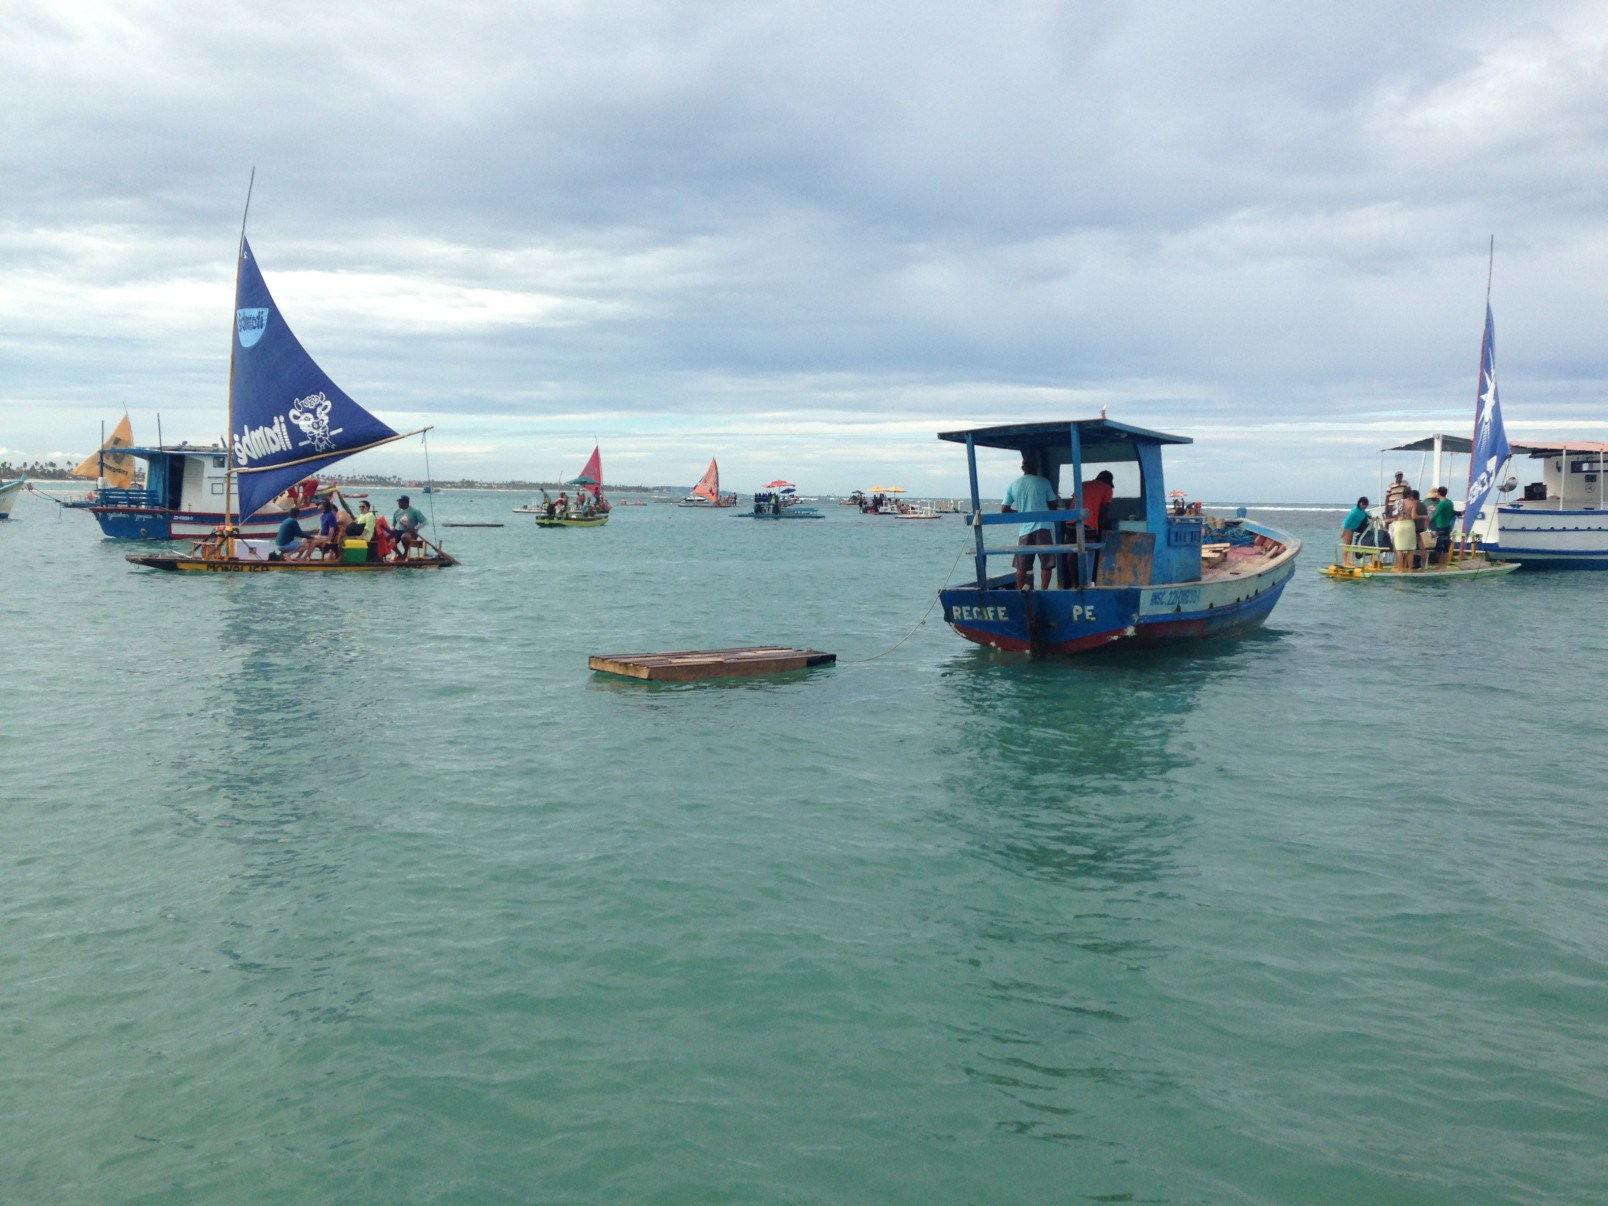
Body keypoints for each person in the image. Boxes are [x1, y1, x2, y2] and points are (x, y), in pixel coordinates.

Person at [1002, 453, 1057, 590]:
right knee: (1046, 563)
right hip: (1043, 527)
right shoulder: (1043, 482)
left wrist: (1020, 514)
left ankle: (1022, 592)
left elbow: (1004, 509)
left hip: (1024, 530)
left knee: (1021, 565)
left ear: (1022, 468)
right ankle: (1044, 590)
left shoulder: (1013, 485)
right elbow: (1053, 504)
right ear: (1036, 467)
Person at [1426, 485, 1456, 568]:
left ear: (1438, 493)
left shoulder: (1441, 504)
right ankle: (1444, 565)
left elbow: (1436, 515)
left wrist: (1428, 522)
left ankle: (1440, 565)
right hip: (1447, 527)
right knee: (1446, 547)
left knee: (1438, 547)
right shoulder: (1450, 502)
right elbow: (1451, 514)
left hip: (1440, 527)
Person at [1080, 469, 1115, 540]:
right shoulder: (1107, 488)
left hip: (1070, 524)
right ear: (1108, 481)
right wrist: (1100, 532)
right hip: (1088, 526)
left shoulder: (1083, 484)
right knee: (1092, 549)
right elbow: (1103, 513)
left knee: (1071, 550)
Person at [1391, 490, 1420, 571]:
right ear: (1410, 495)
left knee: (1399, 549)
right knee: (1410, 549)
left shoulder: (1397, 502)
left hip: (1399, 525)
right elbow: (1413, 516)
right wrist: (1423, 516)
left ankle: (1400, 569)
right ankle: (1410, 569)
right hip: (1409, 525)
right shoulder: (1413, 503)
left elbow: (1394, 514)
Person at [392, 494, 427, 559]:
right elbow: (394, 525)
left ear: (405, 503)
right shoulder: (396, 512)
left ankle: (405, 553)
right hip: (399, 531)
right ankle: (400, 554)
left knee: (404, 537)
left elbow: (425, 522)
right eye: (398, 502)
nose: (398, 503)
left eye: (400, 502)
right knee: (388, 539)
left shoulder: (414, 511)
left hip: (411, 533)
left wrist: (415, 528)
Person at [1340, 496, 1370, 566]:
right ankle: (1345, 562)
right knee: (1347, 545)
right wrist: (1343, 531)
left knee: (1349, 545)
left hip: (1352, 528)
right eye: (1364, 505)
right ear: (1361, 503)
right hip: (1347, 527)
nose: (1365, 507)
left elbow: (1367, 515)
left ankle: (1347, 561)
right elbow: (1347, 521)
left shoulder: (1362, 511)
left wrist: (1372, 518)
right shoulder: (1355, 511)